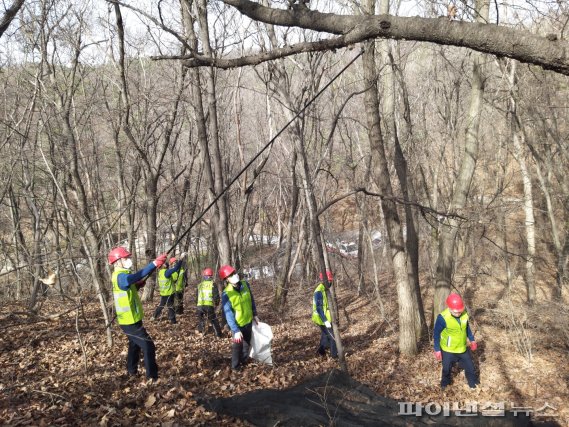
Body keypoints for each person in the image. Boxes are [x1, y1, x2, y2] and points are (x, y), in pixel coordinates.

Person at [108, 247, 167, 381]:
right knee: (148, 346)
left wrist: (138, 285)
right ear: (117, 262)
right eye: (125, 258)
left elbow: (130, 286)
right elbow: (133, 277)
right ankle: (152, 377)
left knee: (134, 345)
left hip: (132, 319)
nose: (128, 260)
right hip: (128, 321)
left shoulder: (122, 275)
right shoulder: (120, 276)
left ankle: (131, 371)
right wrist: (154, 263)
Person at [433, 293, 479, 389]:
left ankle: (473, 384)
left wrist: (472, 340)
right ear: (449, 308)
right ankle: (444, 385)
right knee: (446, 369)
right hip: (448, 349)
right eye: (456, 312)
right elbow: (436, 334)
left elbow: (466, 328)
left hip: (462, 347)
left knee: (470, 366)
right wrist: (437, 349)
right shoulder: (442, 318)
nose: (458, 313)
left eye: (460, 311)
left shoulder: (464, 314)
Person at [219, 265, 259, 370]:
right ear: (226, 279)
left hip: (248, 321)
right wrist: (235, 330)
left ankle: (244, 361)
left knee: (247, 344)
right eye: (230, 275)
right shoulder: (226, 293)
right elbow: (228, 314)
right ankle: (235, 367)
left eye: (234, 273)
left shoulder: (245, 285)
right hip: (237, 325)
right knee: (237, 346)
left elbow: (252, 300)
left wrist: (255, 314)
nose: (234, 276)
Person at [152, 253, 186, 324]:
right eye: (164, 263)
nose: (165, 263)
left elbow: (173, 278)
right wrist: (181, 259)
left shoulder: (161, 273)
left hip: (163, 293)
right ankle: (173, 322)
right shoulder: (166, 272)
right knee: (171, 307)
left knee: (161, 305)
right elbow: (176, 268)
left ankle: (154, 316)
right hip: (169, 293)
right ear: (162, 266)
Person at [312, 270, 338, 359]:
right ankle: (335, 356)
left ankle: (320, 352)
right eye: (329, 281)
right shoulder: (319, 291)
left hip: (325, 318)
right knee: (332, 337)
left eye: (331, 280)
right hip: (321, 318)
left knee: (325, 335)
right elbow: (319, 308)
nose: (331, 282)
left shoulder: (324, 289)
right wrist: (325, 321)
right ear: (324, 280)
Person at [196, 267, 222, 337]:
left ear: (204, 276)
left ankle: (201, 332)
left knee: (201, 320)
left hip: (199, 306)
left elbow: (197, 297)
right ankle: (218, 334)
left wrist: (197, 305)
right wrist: (216, 304)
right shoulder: (213, 284)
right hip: (208, 306)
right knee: (214, 320)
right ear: (211, 276)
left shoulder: (200, 285)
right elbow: (216, 296)